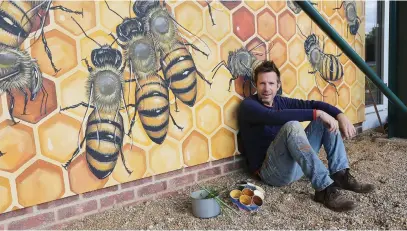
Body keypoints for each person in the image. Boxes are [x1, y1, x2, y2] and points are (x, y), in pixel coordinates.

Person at [237, 60, 374, 212]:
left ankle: (340, 175)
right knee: (292, 125)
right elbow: (272, 116)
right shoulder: (248, 106)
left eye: (271, 83)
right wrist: (318, 114)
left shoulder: (280, 101)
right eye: (262, 83)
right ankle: (324, 189)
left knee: (323, 122)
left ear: (278, 85)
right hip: (270, 173)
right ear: (256, 85)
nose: (267, 88)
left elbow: (313, 104)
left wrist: (339, 114)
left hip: (295, 166)